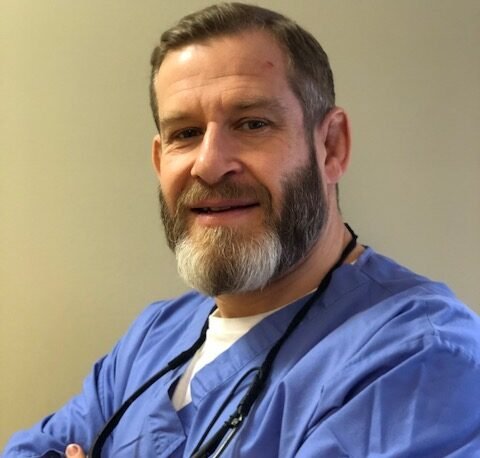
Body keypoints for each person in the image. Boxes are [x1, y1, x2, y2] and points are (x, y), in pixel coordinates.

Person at [4, 3, 480, 457]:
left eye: (252, 124)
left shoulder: (420, 356)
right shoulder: (155, 335)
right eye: (185, 133)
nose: (209, 165)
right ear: (159, 160)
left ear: (331, 147)